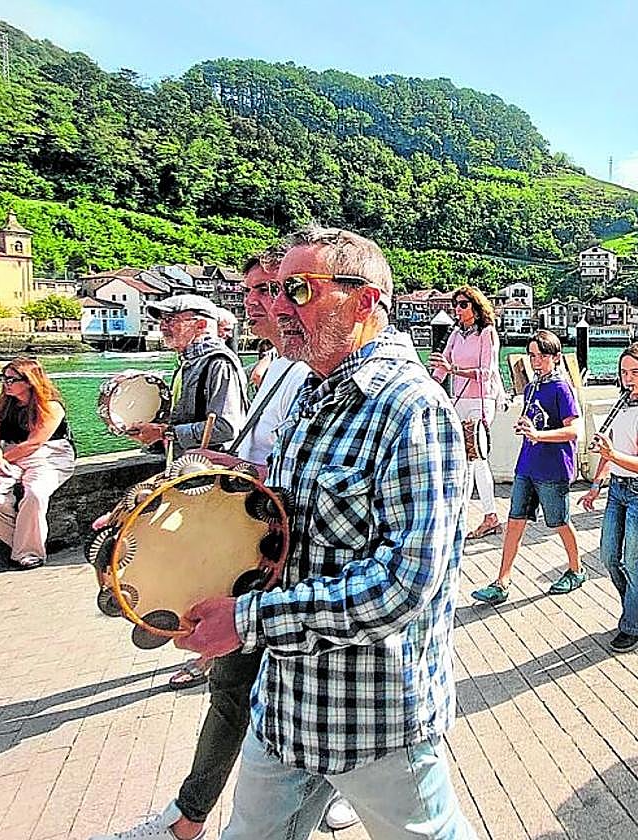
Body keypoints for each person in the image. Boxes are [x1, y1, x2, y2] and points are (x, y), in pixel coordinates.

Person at [173, 225, 475, 840]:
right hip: (286, 702)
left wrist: (249, 620)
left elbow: (402, 586)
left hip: (372, 715)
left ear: (366, 300)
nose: (277, 307)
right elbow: (297, 515)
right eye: (277, 289)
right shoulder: (314, 390)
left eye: (300, 291)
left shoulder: (413, 409)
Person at [90, 253, 360, 839]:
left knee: (239, 695)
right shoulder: (281, 366)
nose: (266, 304)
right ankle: (197, 816)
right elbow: (277, 463)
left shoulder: (320, 372)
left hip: (279, 570)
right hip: (261, 567)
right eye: (259, 292)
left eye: (283, 290)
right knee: (237, 695)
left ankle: (190, 819)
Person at [470, 330, 585, 606]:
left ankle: (577, 569)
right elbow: (532, 419)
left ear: (556, 358)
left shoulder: (561, 388)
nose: (536, 361)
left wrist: (539, 435)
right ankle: (502, 581)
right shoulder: (532, 387)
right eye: (533, 355)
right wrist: (526, 428)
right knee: (514, 521)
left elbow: (574, 430)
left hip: (553, 467)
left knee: (559, 521)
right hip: (528, 463)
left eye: (542, 356)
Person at [580, 343, 638, 654]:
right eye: (624, 372)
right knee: (608, 557)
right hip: (618, 488)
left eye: (636, 372)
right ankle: (634, 607)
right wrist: (597, 483)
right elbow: (610, 448)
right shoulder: (622, 405)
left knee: (633, 560)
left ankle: (635, 624)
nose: (628, 378)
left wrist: (612, 454)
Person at [0, 359, 75, 570]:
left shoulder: (51, 407)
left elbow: (34, 443)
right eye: (3, 378)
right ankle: (23, 542)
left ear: (30, 381)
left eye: (11, 379)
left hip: (50, 454)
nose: (5, 383)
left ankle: (29, 552)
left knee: (35, 492)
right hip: (9, 454)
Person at [430, 286, 504, 539]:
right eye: (456, 305)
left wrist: (453, 370)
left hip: (482, 400)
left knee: (477, 458)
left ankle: (490, 515)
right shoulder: (455, 334)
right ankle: (467, 515)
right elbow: (442, 367)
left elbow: (487, 372)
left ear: (475, 307)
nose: (457, 309)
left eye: (463, 305)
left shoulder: (487, 333)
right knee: (465, 461)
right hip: (460, 400)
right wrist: (428, 384)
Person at [131, 294, 248, 453]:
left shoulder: (219, 363)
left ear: (200, 325)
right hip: (189, 467)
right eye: (162, 321)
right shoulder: (187, 362)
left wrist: (164, 432)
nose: (162, 327)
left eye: (170, 319)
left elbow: (226, 428)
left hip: (210, 470)